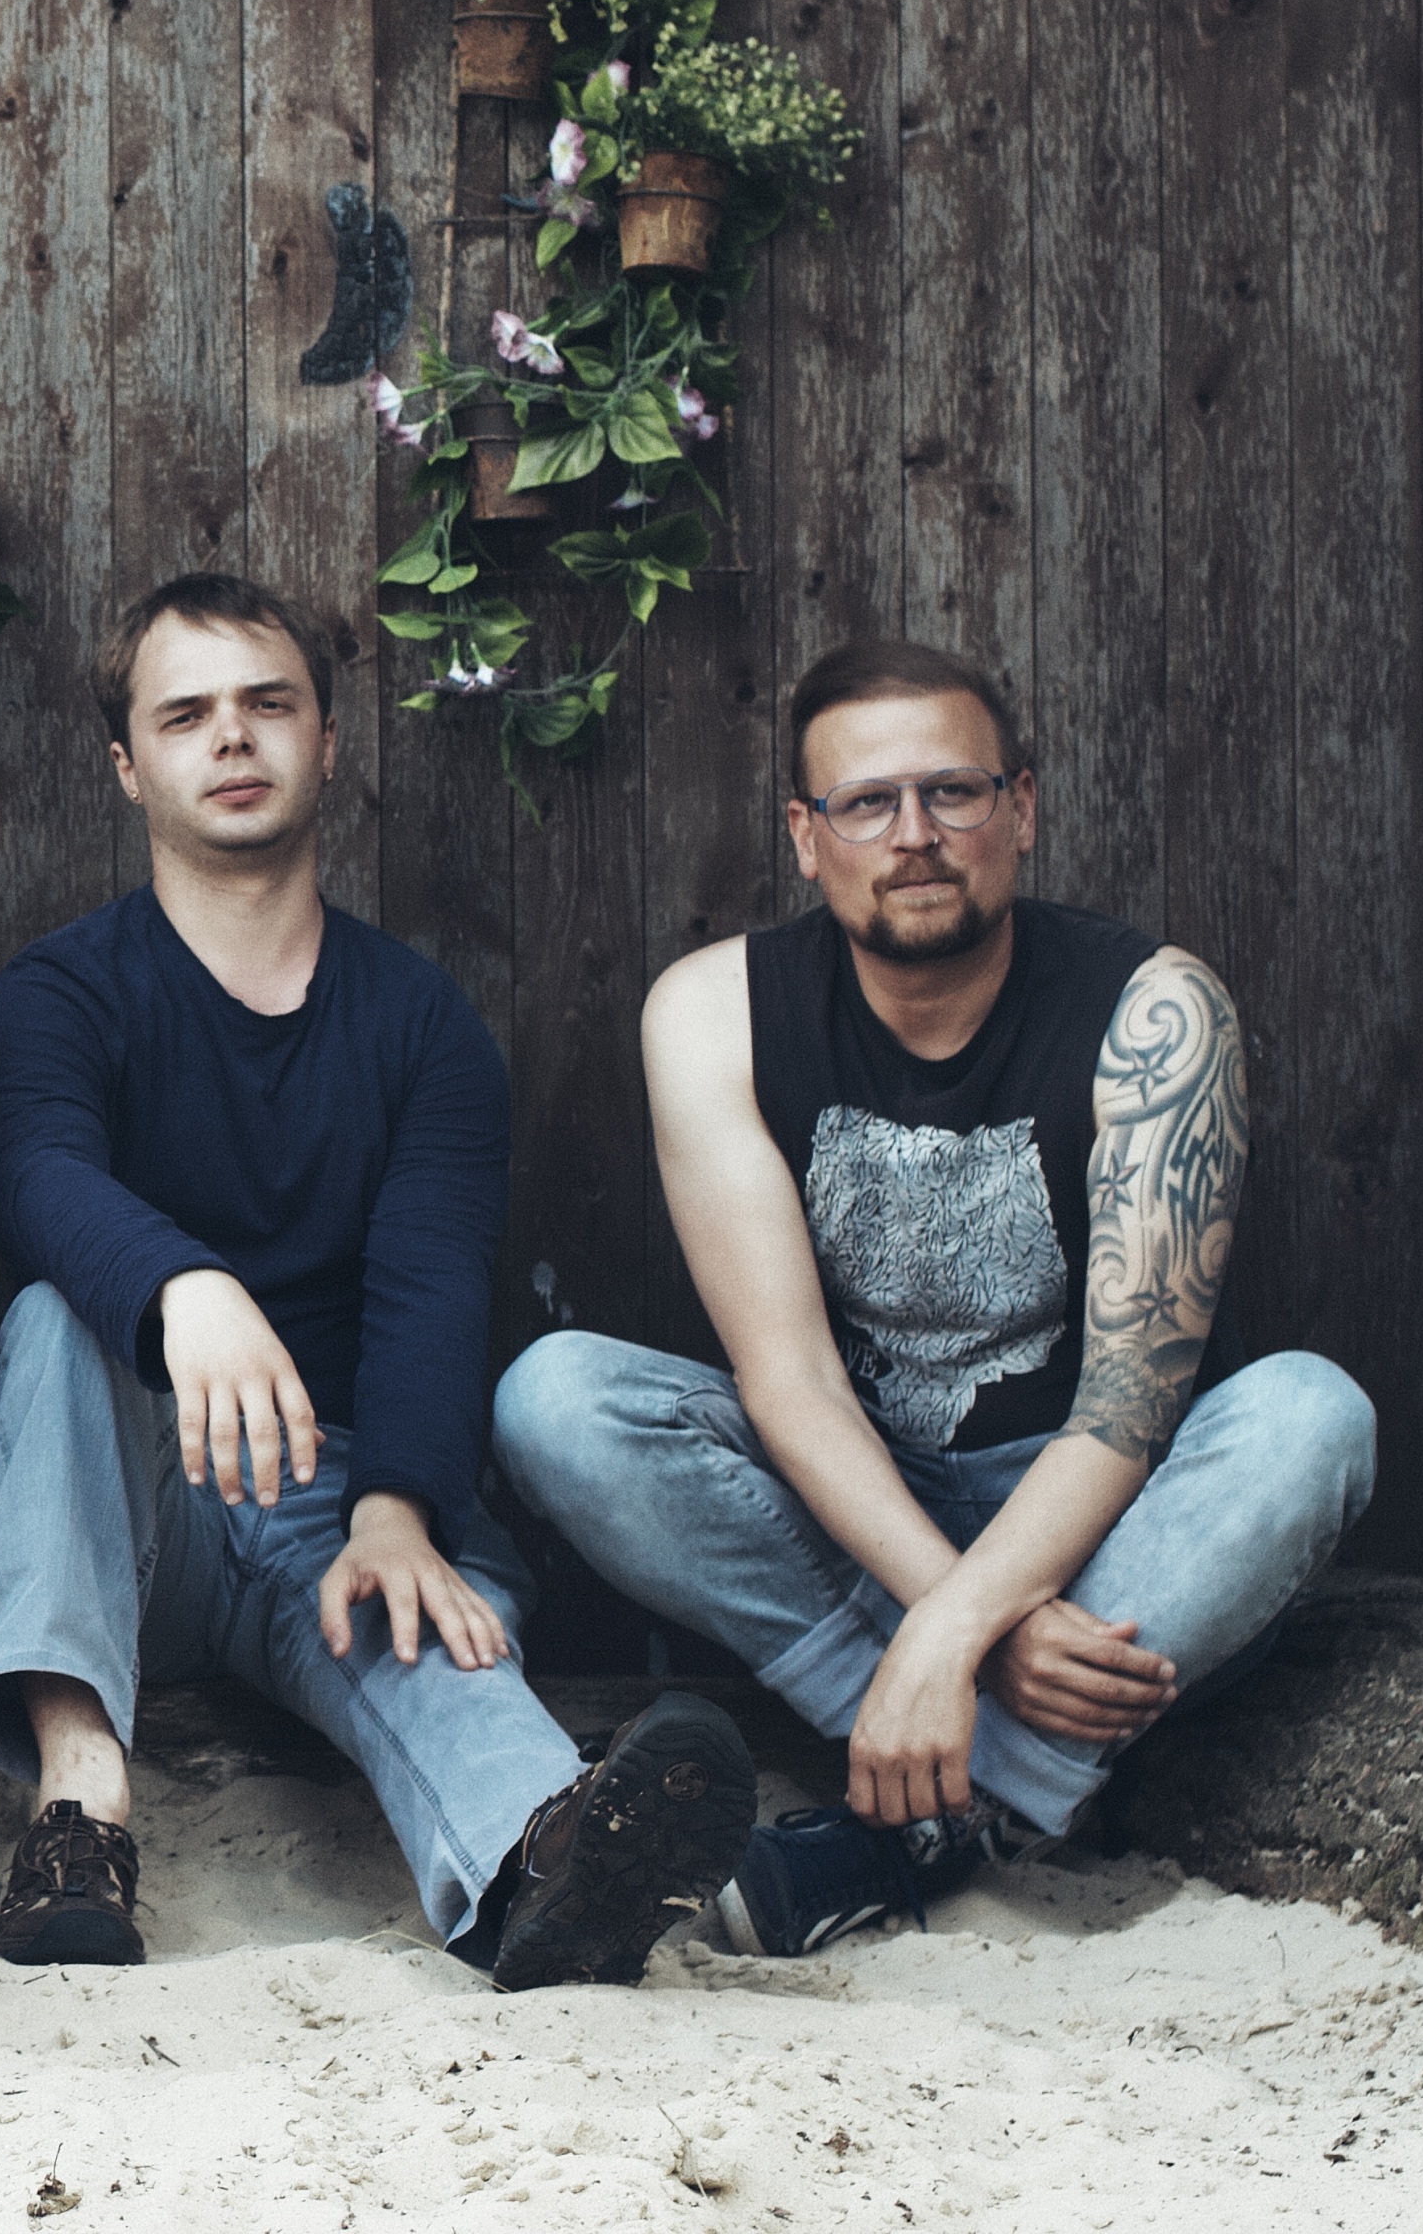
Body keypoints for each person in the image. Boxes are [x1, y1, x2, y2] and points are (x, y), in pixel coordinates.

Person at [494, 638, 1373, 1955]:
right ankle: (983, 1766)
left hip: (1107, 1534)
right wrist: (963, 1628)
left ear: (1020, 807)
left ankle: (916, 1822)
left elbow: (1134, 1407)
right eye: (866, 802)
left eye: (953, 792)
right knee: (555, 1401)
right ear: (805, 836)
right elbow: (788, 1383)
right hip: (856, 1514)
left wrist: (969, 1621)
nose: (914, 834)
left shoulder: (1158, 1014)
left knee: (1314, 1419)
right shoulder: (711, 1012)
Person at [0, 572, 755, 1986]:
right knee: (50, 1320)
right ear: (126, 765)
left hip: (335, 1488)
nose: (233, 738)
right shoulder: (60, 995)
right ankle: (77, 1809)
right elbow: (32, 1180)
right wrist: (184, 1288)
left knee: (412, 1607)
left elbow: (432, 1286)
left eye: (270, 704)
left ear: (329, 743)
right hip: (136, 1513)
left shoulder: (419, 1022)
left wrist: (395, 1511)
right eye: (187, 714)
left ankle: (545, 1868)